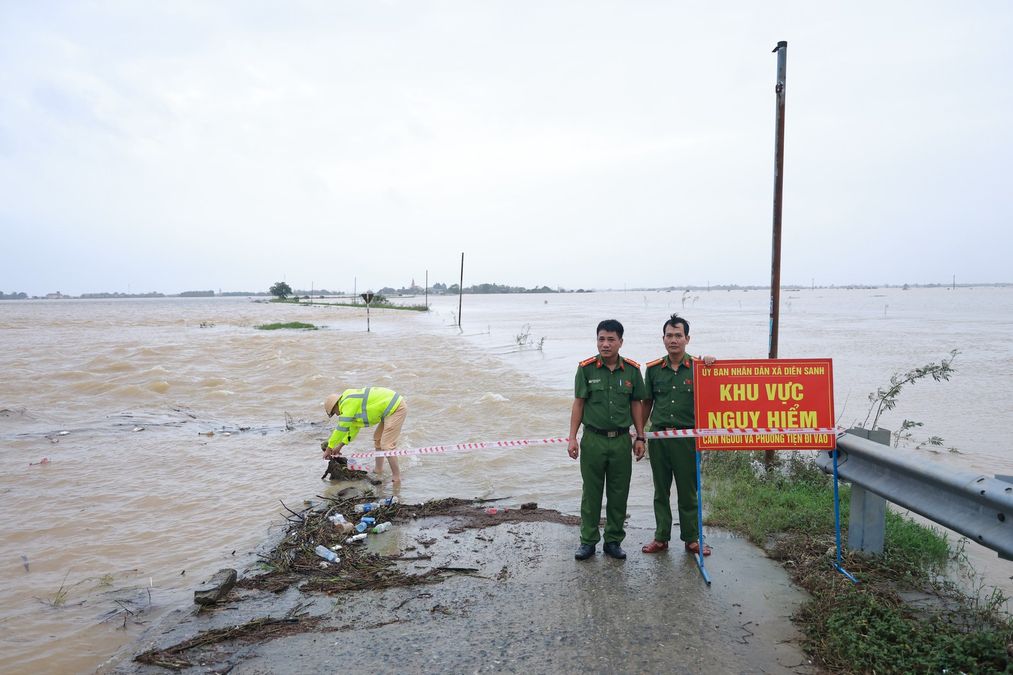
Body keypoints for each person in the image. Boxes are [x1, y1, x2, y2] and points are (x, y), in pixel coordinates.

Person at [567, 319, 648, 561]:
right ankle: (588, 541)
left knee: (618, 493)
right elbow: (578, 404)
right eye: (601, 339)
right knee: (591, 493)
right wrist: (572, 438)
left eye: (611, 339)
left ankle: (613, 541)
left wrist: (640, 437)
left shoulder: (632, 370)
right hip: (593, 440)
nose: (605, 344)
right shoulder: (586, 369)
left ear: (620, 342)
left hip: (621, 441)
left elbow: (637, 404)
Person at [641, 314, 713, 556]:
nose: (674, 340)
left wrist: (712, 363)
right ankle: (661, 538)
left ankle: (692, 538)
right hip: (659, 438)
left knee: (688, 490)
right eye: (669, 335)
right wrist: (640, 435)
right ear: (663, 339)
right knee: (661, 490)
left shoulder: (700, 368)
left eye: (678, 335)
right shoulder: (652, 370)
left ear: (687, 339)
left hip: (686, 440)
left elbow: (718, 393)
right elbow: (647, 404)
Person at [322, 387, 406, 483]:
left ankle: (396, 477)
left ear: (335, 405)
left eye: (333, 412)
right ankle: (378, 470)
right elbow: (353, 429)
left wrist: (329, 448)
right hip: (388, 410)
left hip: (396, 407)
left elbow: (341, 428)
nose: (336, 415)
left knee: (387, 445)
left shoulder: (347, 403)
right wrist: (340, 446)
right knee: (377, 439)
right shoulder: (349, 406)